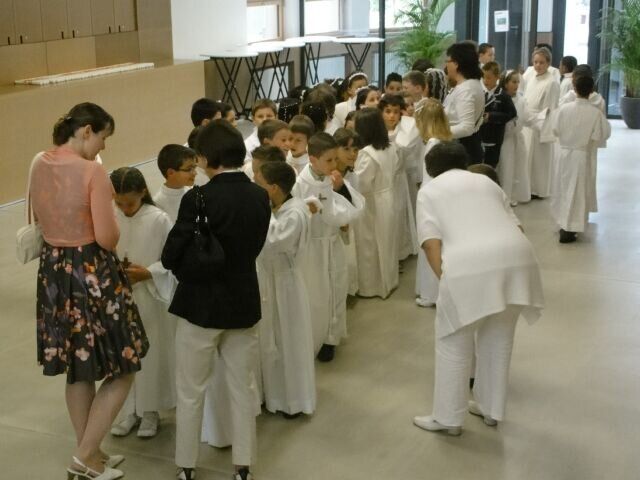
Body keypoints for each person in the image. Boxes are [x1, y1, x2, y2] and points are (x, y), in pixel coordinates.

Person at [30, 102, 148, 479]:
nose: (103, 146)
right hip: (91, 271)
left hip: (54, 271)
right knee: (123, 364)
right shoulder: (92, 171)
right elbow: (107, 237)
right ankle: (83, 459)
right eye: (103, 137)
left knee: (78, 369)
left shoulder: (40, 163)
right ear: (85, 131)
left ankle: (90, 455)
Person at [162, 119, 271, 480]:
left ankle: (186, 466)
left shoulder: (198, 198)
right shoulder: (260, 195)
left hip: (200, 305)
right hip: (243, 301)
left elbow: (171, 254)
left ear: (206, 158)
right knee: (243, 388)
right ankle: (243, 466)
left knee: (191, 390)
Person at [413, 141, 544, 436]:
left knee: (452, 340)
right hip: (518, 262)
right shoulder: (486, 183)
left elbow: (431, 244)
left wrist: (447, 283)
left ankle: (448, 419)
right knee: (498, 339)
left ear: (431, 170)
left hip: (468, 267)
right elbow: (517, 227)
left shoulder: (429, 191)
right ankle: (490, 409)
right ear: (464, 162)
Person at [109, 167, 177, 440]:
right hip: (117, 297)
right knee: (123, 354)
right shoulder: (109, 216)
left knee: (151, 353)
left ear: (143, 193)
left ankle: (150, 411)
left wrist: (149, 272)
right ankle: (129, 410)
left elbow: (173, 259)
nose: (125, 209)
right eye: (119, 203)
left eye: (130, 203)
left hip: (150, 295)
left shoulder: (158, 219)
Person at [292, 133, 364, 362]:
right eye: (329, 160)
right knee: (316, 295)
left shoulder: (332, 180)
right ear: (313, 159)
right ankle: (315, 336)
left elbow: (354, 207)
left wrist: (341, 189)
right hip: (311, 248)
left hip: (332, 244)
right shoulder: (299, 184)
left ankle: (331, 338)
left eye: (335, 159)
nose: (334, 165)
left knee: (336, 290)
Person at [253, 161, 316, 417]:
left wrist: (262, 212)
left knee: (289, 341)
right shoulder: (278, 207)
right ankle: (274, 395)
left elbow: (273, 242)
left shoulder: (295, 212)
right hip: (268, 280)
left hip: (286, 283)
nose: (254, 189)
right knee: (271, 341)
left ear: (274, 188)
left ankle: (294, 400)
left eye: (259, 184)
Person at [551, 76, 611, 243]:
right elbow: (602, 134)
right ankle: (572, 226)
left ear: (574, 89)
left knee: (563, 188)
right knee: (578, 191)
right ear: (591, 91)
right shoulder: (595, 113)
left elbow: (555, 129)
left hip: (564, 153)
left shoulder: (564, 109)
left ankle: (563, 222)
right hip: (581, 155)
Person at [353, 107, 403, 299]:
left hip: (371, 201)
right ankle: (389, 280)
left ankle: (371, 286)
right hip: (388, 196)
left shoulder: (367, 153)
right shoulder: (390, 147)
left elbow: (362, 183)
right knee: (387, 241)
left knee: (370, 243)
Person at [413, 98, 452, 308]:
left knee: (430, 242)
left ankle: (430, 293)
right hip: (443, 198)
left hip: (431, 200)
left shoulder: (432, 145)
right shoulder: (445, 141)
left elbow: (429, 177)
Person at [378, 94, 420, 262]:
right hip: (382, 178)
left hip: (401, 177)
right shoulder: (377, 129)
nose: (392, 116)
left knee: (400, 212)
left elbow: (403, 148)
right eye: (387, 111)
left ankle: (401, 250)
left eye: (396, 112)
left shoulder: (408, 128)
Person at [522, 47, 560, 199]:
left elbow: (550, 108)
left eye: (541, 62)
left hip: (540, 123)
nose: (538, 65)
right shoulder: (531, 76)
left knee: (539, 159)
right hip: (527, 121)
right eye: (535, 62)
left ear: (548, 63)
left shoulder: (551, 82)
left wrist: (541, 124)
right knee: (527, 157)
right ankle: (527, 187)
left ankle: (539, 189)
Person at [496, 70, 535, 206]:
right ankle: (502, 196)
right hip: (504, 139)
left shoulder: (521, 99)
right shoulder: (500, 98)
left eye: (518, 82)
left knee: (517, 168)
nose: (516, 85)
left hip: (517, 138)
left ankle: (513, 195)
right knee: (505, 168)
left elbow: (528, 117)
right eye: (513, 82)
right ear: (505, 83)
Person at [443, 42, 486, 164]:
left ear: (456, 64)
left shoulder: (466, 89)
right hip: (465, 146)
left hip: (463, 149)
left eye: (448, 61)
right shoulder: (469, 85)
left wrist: (438, 132)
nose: (446, 66)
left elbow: (466, 127)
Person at [334, 127, 362, 297]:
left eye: (355, 149)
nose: (352, 154)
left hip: (347, 227)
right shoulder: (328, 174)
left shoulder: (352, 175)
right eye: (346, 149)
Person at [479, 62, 517, 168]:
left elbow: (512, 114)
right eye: (483, 77)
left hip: (494, 138)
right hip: (480, 137)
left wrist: (491, 116)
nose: (485, 81)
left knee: (490, 167)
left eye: (488, 78)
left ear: (497, 77)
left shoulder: (503, 96)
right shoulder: (480, 93)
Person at [153, 144, 198, 222]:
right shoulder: (158, 204)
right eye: (189, 169)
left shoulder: (193, 191)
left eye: (194, 168)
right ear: (171, 173)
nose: (195, 173)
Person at [244, 99, 278, 163]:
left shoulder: (284, 137)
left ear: (276, 117)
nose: (265, 119)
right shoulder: (247, 145)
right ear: (253, 119)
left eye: (269, 116)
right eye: (260, 116)